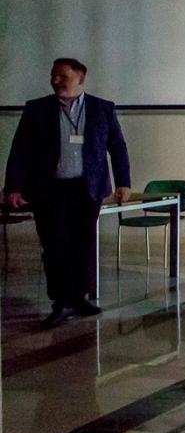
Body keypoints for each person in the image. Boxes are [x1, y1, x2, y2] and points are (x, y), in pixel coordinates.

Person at [4, 58, 131, 328]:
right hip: (50, 190)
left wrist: (124, 182)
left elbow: (117, 147)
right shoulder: (37, 109)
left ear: (81, 78)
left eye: (63, 76)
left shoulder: (102, 108)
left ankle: (79, 297)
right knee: (55, 246)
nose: (56, 81)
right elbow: (20, 150)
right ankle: (61, 302)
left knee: (82, 246)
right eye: (53, 76)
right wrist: (13, 186)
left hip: (87, 189)